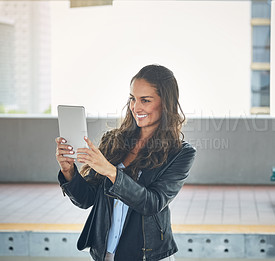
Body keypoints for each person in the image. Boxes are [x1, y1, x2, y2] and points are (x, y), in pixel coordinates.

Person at [55, 64, 196, 261]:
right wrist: (69, 170)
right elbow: (87, 200)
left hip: (148, 256)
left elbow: (152, 203)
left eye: (145, 100)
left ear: (165, 103)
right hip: (105, 253)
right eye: (132, 99)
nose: (136, 107)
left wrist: (111, 172)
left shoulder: (181, 153)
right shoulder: (113, 141)